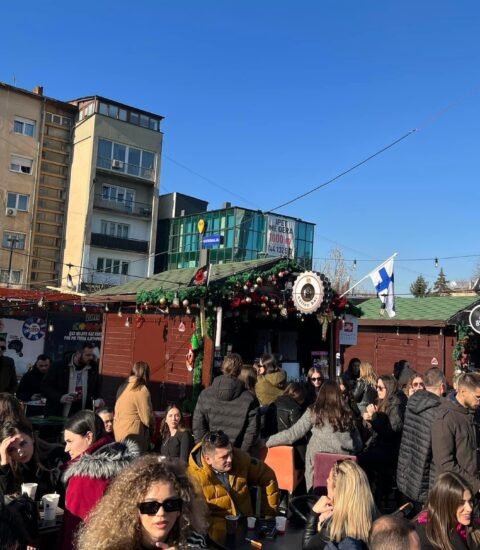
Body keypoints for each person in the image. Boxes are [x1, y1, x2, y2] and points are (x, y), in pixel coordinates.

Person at [76, 455, 209, 549]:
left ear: (181, 509)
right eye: (150, 506)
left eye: (170, 505)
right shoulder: (114, 545)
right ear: (133, 509)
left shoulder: (192, 542)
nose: (161, 513)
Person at [61, 410, 139, 550]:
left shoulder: (84, 478)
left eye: (70, 441)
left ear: (89, 437)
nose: (66, 449)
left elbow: (73, 530)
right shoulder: (126, 465)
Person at [267, 380, 363, 490]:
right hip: (344, 470)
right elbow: (359, 444)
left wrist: (267, 441)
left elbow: (292, 434)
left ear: (321, 394)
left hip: (317, 469)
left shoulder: (314, 411)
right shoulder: (348, 414)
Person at [188, 430, 279, 544]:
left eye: (230, 453)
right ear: (208, 459)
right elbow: (198, 519)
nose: (230, 459)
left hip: (248, 527)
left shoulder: (240, 458)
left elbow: (267, 476)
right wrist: (222, 533)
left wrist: (269, 516)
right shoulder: (193, 478)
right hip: (219, 537)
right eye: (224, 457)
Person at [397, 367, 446, 511]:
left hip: (408, 472)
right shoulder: (439, 410)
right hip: (426, 478)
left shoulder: (412, 402)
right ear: (442, 387)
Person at [303, 460, 377, 550]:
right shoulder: (375, 517)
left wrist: (314, 513)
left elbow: (307, 547)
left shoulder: (333, 526)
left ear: (337, 490)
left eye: (329, 479)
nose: (327, 480)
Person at [192, 353, 259, 453]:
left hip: (212, 453)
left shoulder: (205, 394)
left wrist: (206, 451)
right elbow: (252, 432)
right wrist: (241, 454)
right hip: (235, 453)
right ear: (240, 370)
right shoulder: (249, 398)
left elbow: (198, 427)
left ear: (222, 367)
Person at [359, 375, 406, 500]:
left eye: (380, 388)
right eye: (376, 387)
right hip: (380, 444)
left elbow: (390, 431)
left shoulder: (396, 404)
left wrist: (374, 417)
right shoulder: (381, 401)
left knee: (362, 461)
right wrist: (369, 420)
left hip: (390, 449)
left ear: (388, 388)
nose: (377, 390)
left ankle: (371, 496)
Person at [432, 372, 480, 493]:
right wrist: (475, 484)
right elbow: (445, 464)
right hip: (455, 492)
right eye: (477, 397)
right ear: (463, 392)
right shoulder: (445, 418)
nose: (479, 401)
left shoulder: (474, 412)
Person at [0, 420, 66, 498]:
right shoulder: (9, 464)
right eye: (12, 449)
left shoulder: (55, 455)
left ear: (32, 437)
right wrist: (4, 464)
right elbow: (5, 498)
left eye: (23, 444)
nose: (20, 453)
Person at [415, 472, 480, 550]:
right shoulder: (426, 536)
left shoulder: (474, 526)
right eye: (461, 503)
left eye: (470, 501)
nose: (469, 508)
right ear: (445, 504)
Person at [41, 343, 100, 417]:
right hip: (58, 412)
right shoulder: (58, 366)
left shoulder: (93, 368)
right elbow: (45, 387)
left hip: (81, 413)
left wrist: (98, 398)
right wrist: (60, 397)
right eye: (88, 355)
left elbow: (97, 388)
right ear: (78, 354)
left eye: (92, 355)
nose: (91, 358)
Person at [114, 361, 154, 453]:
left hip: (118, 432)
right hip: (134, 436)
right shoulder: (141, 389)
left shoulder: (122, 386)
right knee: (135, 461)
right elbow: (147, 419)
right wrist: (153, 428)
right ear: (146, 373)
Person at [275, 382, 307, 468]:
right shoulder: (295, 409)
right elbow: (297, 433)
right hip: (290, 449)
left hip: (274, 445)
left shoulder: (275, 403)